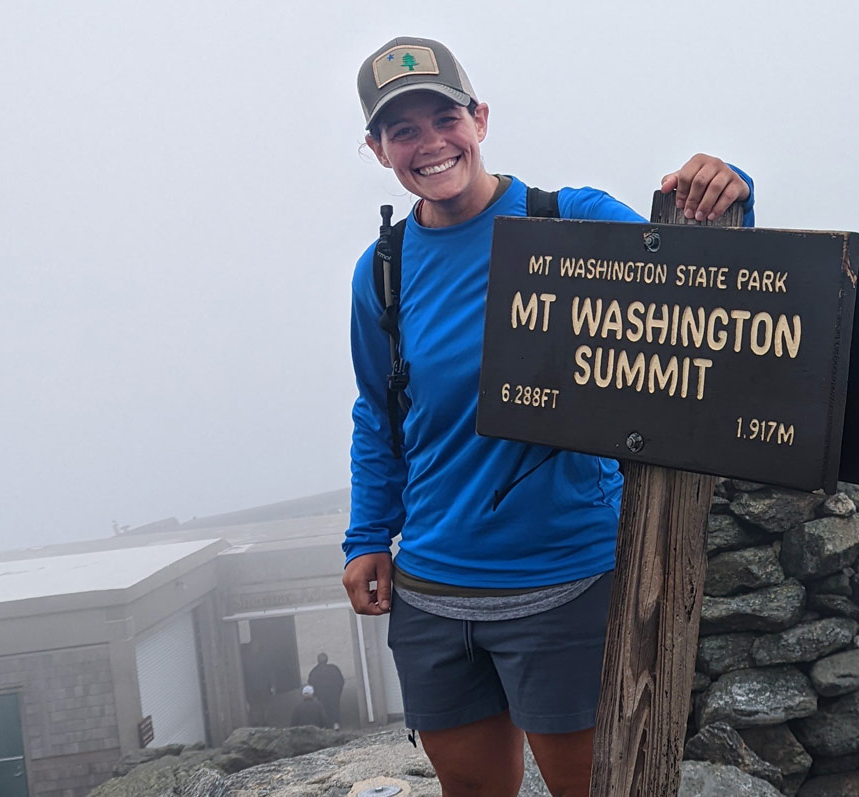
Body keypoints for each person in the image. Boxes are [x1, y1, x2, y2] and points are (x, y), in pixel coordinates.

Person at [341, 36, 755, 797]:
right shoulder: (385, 269)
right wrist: (369, 534)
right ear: (377, 149)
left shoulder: (570, 221)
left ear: (481, 118)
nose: (430, 143)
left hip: (564, 584)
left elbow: (710, 297)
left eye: (445, 116)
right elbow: (380, 412)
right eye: (403, 130)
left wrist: (731, 192)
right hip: (431, 592)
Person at [307, 652, 345, 729]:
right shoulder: (334, 669)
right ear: (327, 659)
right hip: (334, 694)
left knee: (323, 709)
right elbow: (341, 681)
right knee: (334, 708)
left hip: (321, 695)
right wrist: (338, 692)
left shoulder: (314, 671)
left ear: (318, 660)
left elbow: (311, 683)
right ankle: (335, 724)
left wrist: (315, 694)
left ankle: (326, 726)